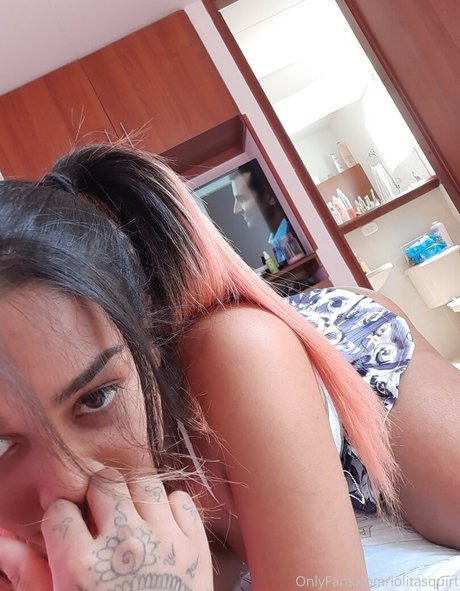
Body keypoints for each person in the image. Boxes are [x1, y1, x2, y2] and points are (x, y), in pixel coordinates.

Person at [0, 144, 459, 591]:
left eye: (97, 397)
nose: (69, 484)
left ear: (146, 339)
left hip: (350, 354)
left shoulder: (238, 356)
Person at [231, 160, 294, 264]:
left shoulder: (295, 237)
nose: (236, 210)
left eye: (242, 199)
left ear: (270, 197)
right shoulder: (276, 243)